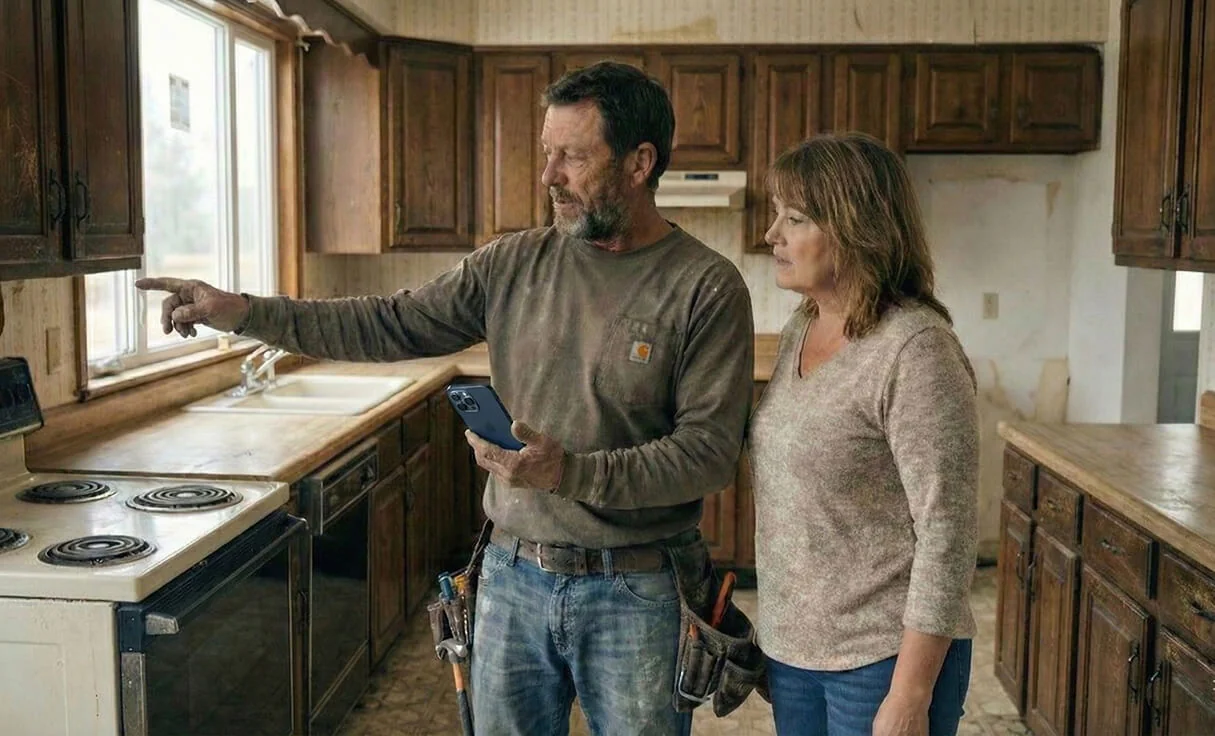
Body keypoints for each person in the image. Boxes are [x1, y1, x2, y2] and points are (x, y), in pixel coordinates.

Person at [138, 61, 755, 736]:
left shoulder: (705, 286)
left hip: (637, 590)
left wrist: (569, 473)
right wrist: (246, 312)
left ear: (639, 163)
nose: (548, 176)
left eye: (573, 157)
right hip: (512, 576)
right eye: (547, 152)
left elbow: (707, 456)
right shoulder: (512, 263)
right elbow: (389, 321)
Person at [746, 132, 979, 736]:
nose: (771, 234)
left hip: (882, 659)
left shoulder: (916, 350)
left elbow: (947, 532)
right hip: (797, 654)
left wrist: (910, 693)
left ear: (856, 228)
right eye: (777, 215)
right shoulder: (802, 326)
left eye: (795, 218)